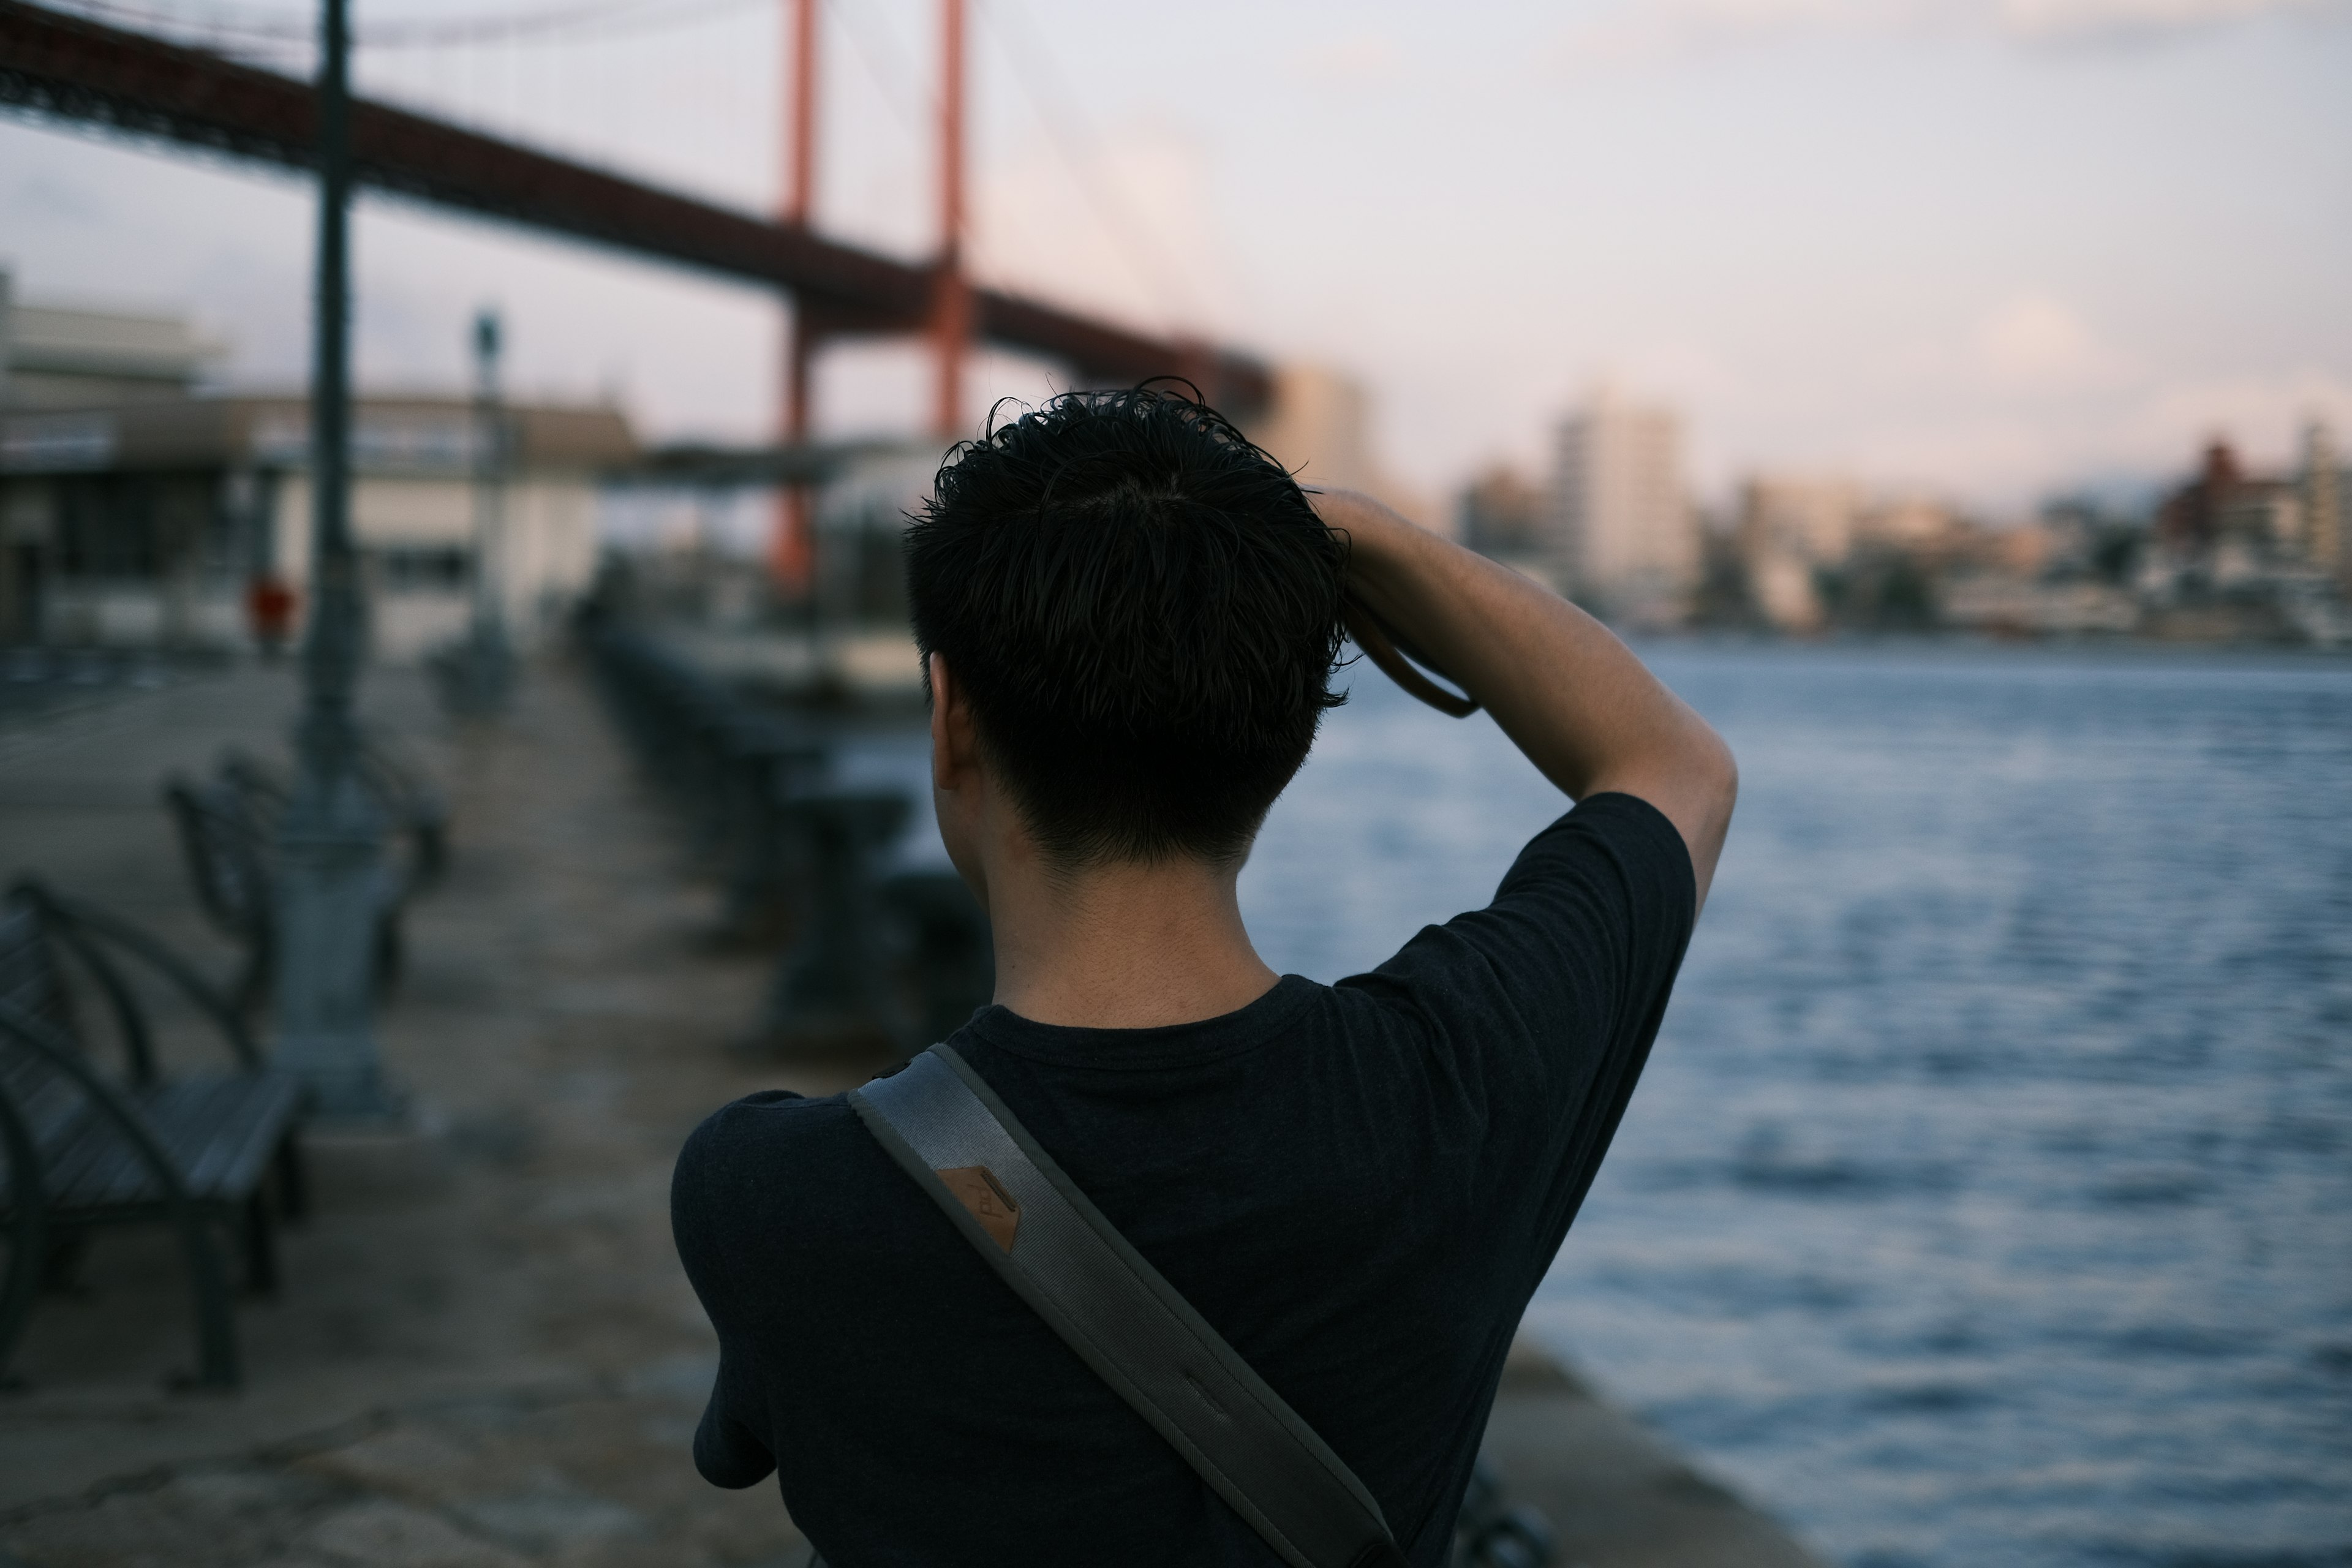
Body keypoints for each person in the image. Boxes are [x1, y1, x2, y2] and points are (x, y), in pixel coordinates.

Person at [670, 386, 1736, 1566]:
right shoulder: (1454, 1098)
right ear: (1287, 738)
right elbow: (1673, 767)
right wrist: (1349, 532)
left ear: (951, 720)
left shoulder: (765, 1198)